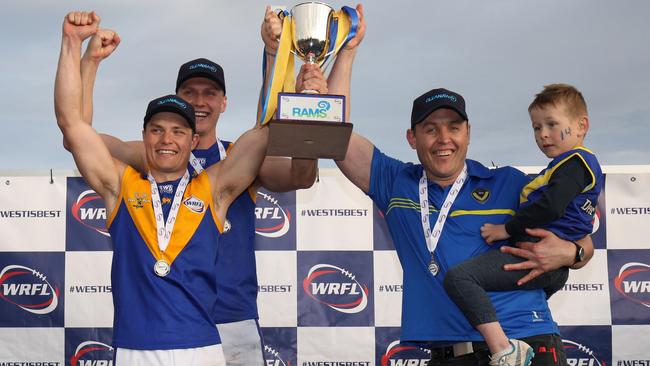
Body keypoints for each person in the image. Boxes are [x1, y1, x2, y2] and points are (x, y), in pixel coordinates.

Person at [324, 5, 594, 366]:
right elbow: (334, 135)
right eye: (430, 129)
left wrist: (572, 253)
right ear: (412, 138)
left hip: (527, 343)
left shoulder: (509, 182)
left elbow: (581, 232)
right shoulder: (395, 182)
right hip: (448, 354)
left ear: (468, 134)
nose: (443, 139)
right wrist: (348, 53)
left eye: (453, 127)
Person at [77, 8, 324, 365]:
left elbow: (289, 160)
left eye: (210, 93)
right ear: (177, 97)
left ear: (224, 103)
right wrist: (89, 61)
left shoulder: (239, 158)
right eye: (190, 92)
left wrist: (277, 57)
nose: (200, 101)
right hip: (165, 327)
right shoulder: (147, 153)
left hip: (233, 319)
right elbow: (80, 135)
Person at [442, 83, 603, 365]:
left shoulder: (576, 163)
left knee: (460, 278)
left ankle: (504, 349)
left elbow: (551, 206)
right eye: (536, 127)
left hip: (538, 262)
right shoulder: (561, 167)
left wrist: (507, 229)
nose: (543, 134)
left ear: (582, 126)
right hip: (548, 271)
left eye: (552, 125)